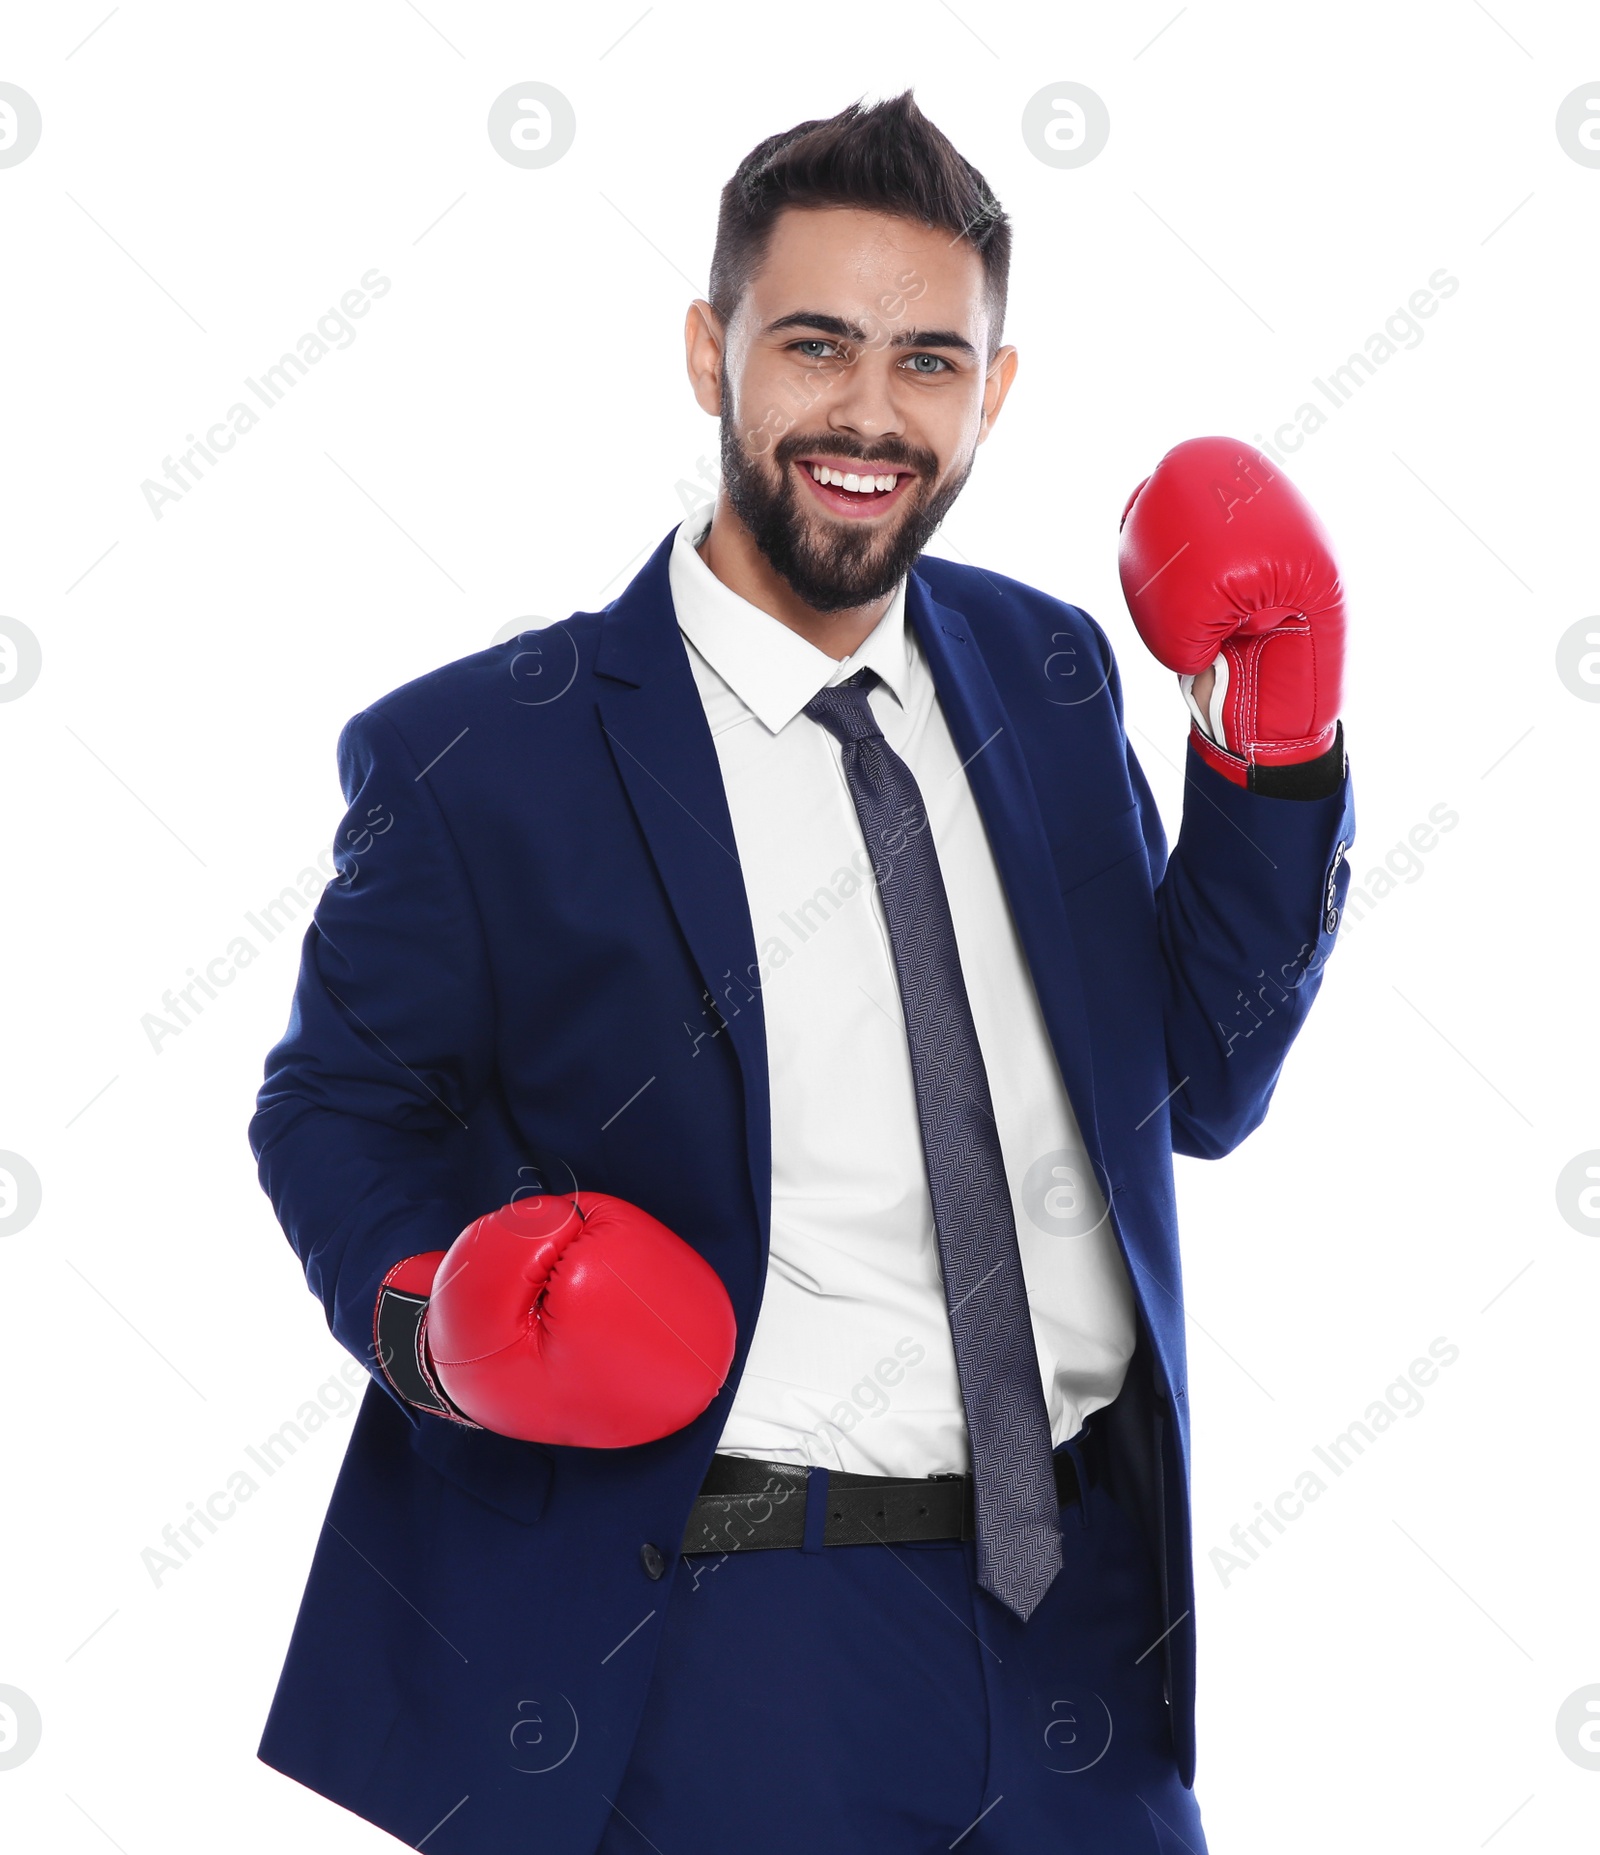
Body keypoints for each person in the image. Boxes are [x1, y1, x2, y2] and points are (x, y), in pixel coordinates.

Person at [250, 89, 1354, 1855]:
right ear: (712, 353)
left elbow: (1200, 1085)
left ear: (993, 391)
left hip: (1072, 1608)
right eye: (816, 345)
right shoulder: (483, 755)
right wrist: (431, 1317)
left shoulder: (1051, 672)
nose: (867, 412)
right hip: (728, 1628)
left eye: (929, 361)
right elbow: (332, 1105)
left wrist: (1274, 755)